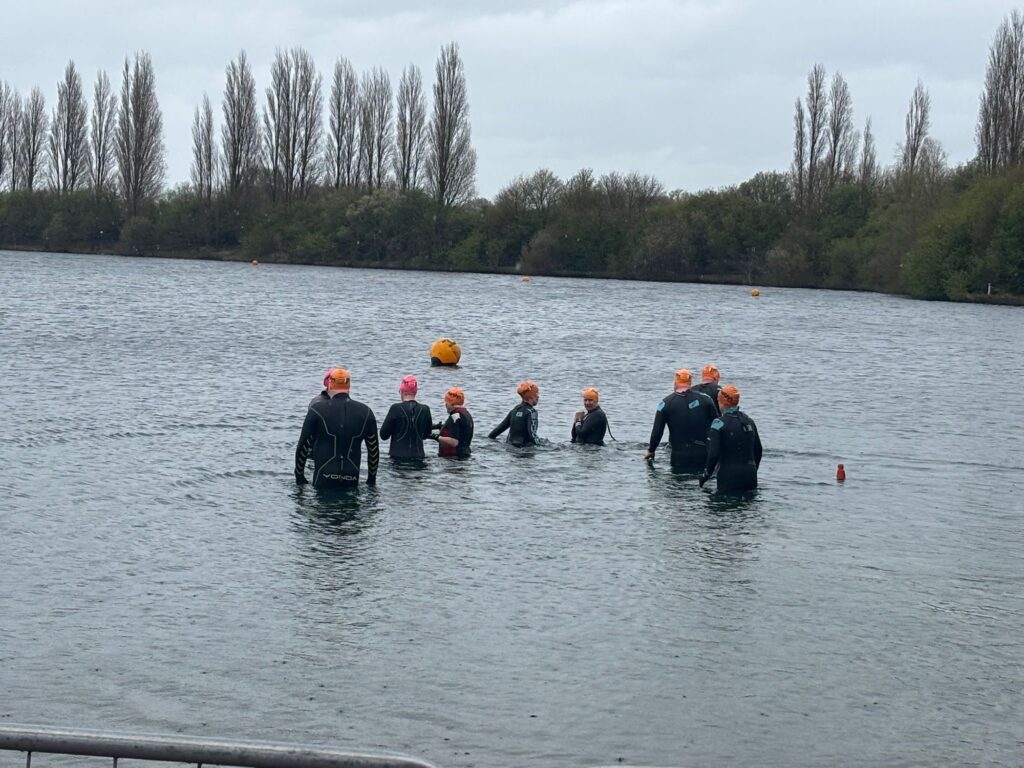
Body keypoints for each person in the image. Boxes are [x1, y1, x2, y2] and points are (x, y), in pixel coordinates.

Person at [295, 368, 379, 488]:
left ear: (330, 384)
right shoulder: (366, 412)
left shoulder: (317, 410)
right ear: (349, 386)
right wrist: (371, 481)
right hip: (351, 479)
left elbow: (303, 446)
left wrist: (299, 477)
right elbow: (373, 451)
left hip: (323, 478)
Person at [644, 368, 718, 471]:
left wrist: (651, 450)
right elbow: (717, 426)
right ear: (690, 383)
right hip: (703, 455)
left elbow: (657, 433)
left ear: (675, 383)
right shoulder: (706, 399)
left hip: (678, 457)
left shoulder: (665, 403)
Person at [700, 384, 762, 492]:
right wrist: (753, 470)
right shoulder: (749, 421)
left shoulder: (718, 423)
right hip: (750, 476)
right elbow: (758, 450)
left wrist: (706, 475)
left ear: (721, 401)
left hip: (728, 477)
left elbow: (713, 454)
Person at [379, 374, 433, 459]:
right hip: (419, 458)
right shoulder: (425, 409)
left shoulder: (395, 408)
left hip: (397, 458)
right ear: (415, 392)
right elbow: (426, 435)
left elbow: (383, 435)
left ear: (402, 391)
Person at [488, 380, 540, 446]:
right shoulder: (531, 412)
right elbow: (532, 434)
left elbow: (495, 432)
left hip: (509, 447)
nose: (538, 397)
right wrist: (540, 446)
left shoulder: (514, 410)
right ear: (531, 396)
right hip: (524, 448)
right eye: (536, 394)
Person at [431, 386, 474, 458]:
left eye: (446, 402)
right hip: (465, 455)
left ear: (451, 403)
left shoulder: (455, 416)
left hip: (453, 458)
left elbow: (454, 442)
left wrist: (433, 436)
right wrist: (437, 426)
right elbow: (457, 430)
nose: (445, 405)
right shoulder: (466, 414)